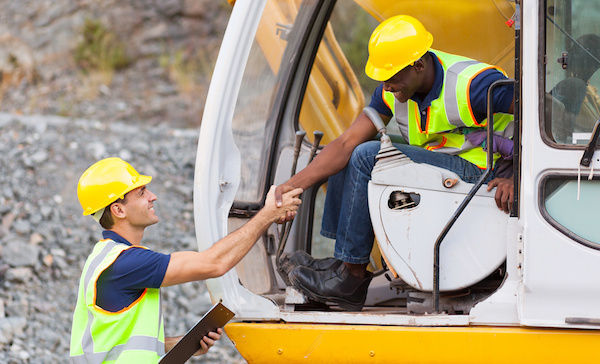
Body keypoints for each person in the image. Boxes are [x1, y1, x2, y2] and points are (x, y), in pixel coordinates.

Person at [275, 15, 515, 311]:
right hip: (441, 166)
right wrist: (289, 186)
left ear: (418, 65)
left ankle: (351, 279)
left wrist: (516, 178)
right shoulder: (397, 88)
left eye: (392, 77)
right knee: (353, 151)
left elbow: (547, 118)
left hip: (481, 174)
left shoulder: (475, 86)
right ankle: (342, 262)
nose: (387, 87)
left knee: (367, 155)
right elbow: (345, 143)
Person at [70, 157, 302, 363]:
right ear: (119, 210)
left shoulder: (105, 258)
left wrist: (180, 344)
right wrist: (268, 214)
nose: (153, 196)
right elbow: (215, 263)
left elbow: (118, 347)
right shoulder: (126, 263)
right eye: (141, 193)